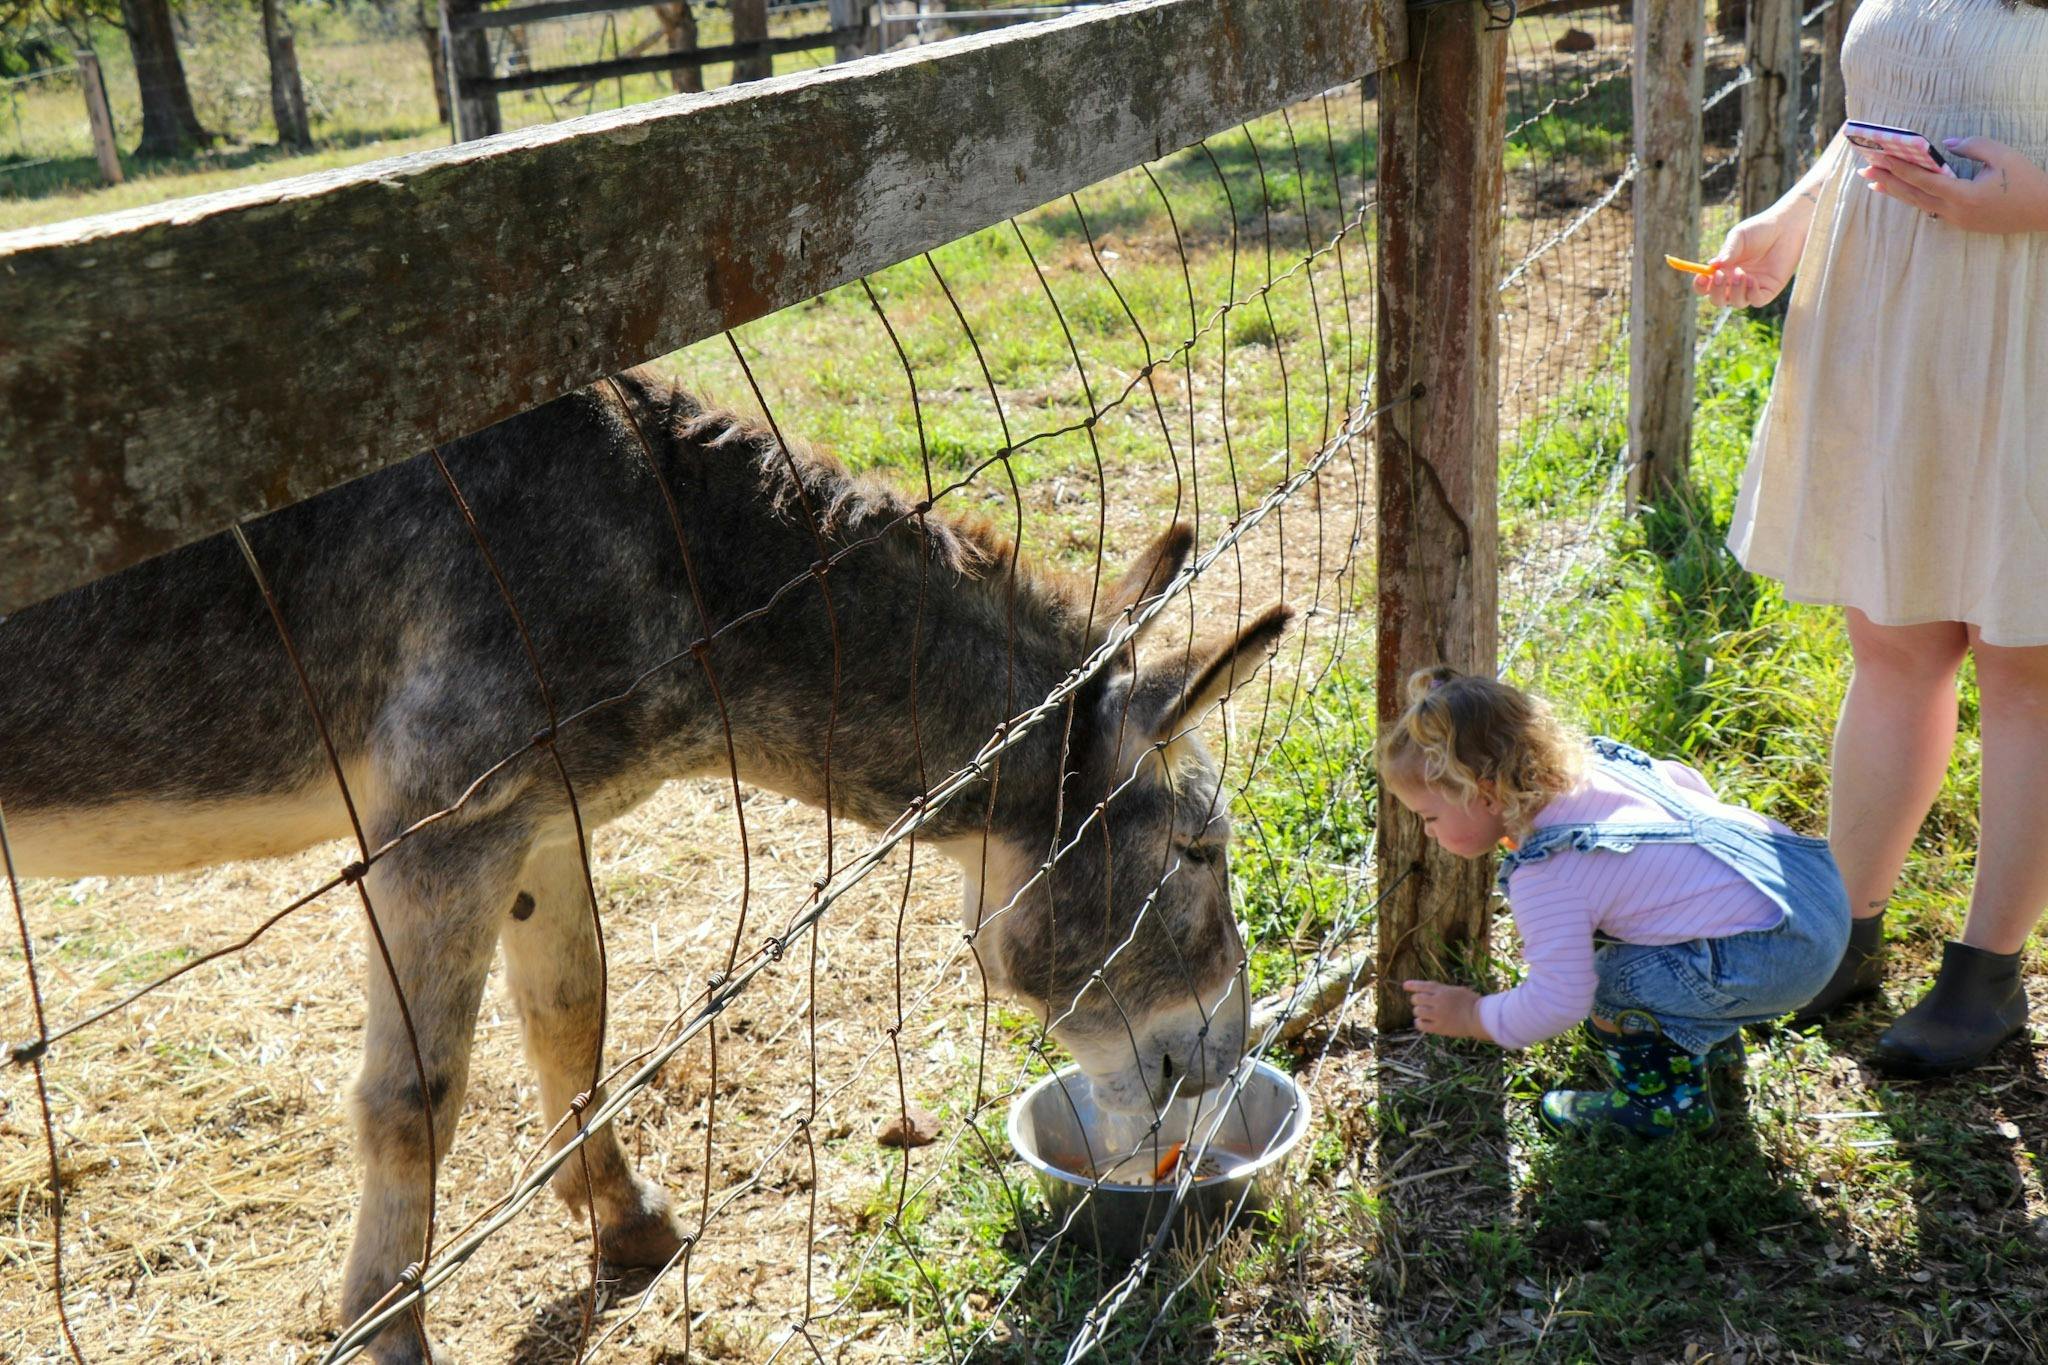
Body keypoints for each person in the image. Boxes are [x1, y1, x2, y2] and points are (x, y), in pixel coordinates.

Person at [1696, 0, 2048, 1075]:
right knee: (1893, 643)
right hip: (1896, 322)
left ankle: (1984, 974)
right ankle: (1838, 935)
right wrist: (1791, 219)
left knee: (2026, 668)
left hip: (2029, 316)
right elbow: (1882, 113)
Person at [1380, 668, 1851, 1137]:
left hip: (1783, 959)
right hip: (1809, 894)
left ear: (1482, 794)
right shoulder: (1594, 772)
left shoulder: (1549, 873)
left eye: (1430, 816)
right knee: (1687, 923)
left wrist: (1474, 1016)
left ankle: (1665, 1108)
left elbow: (1559, 1000)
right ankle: (1705, 1034)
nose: (1428, 832)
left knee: (1613, 984)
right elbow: (1686, 782)